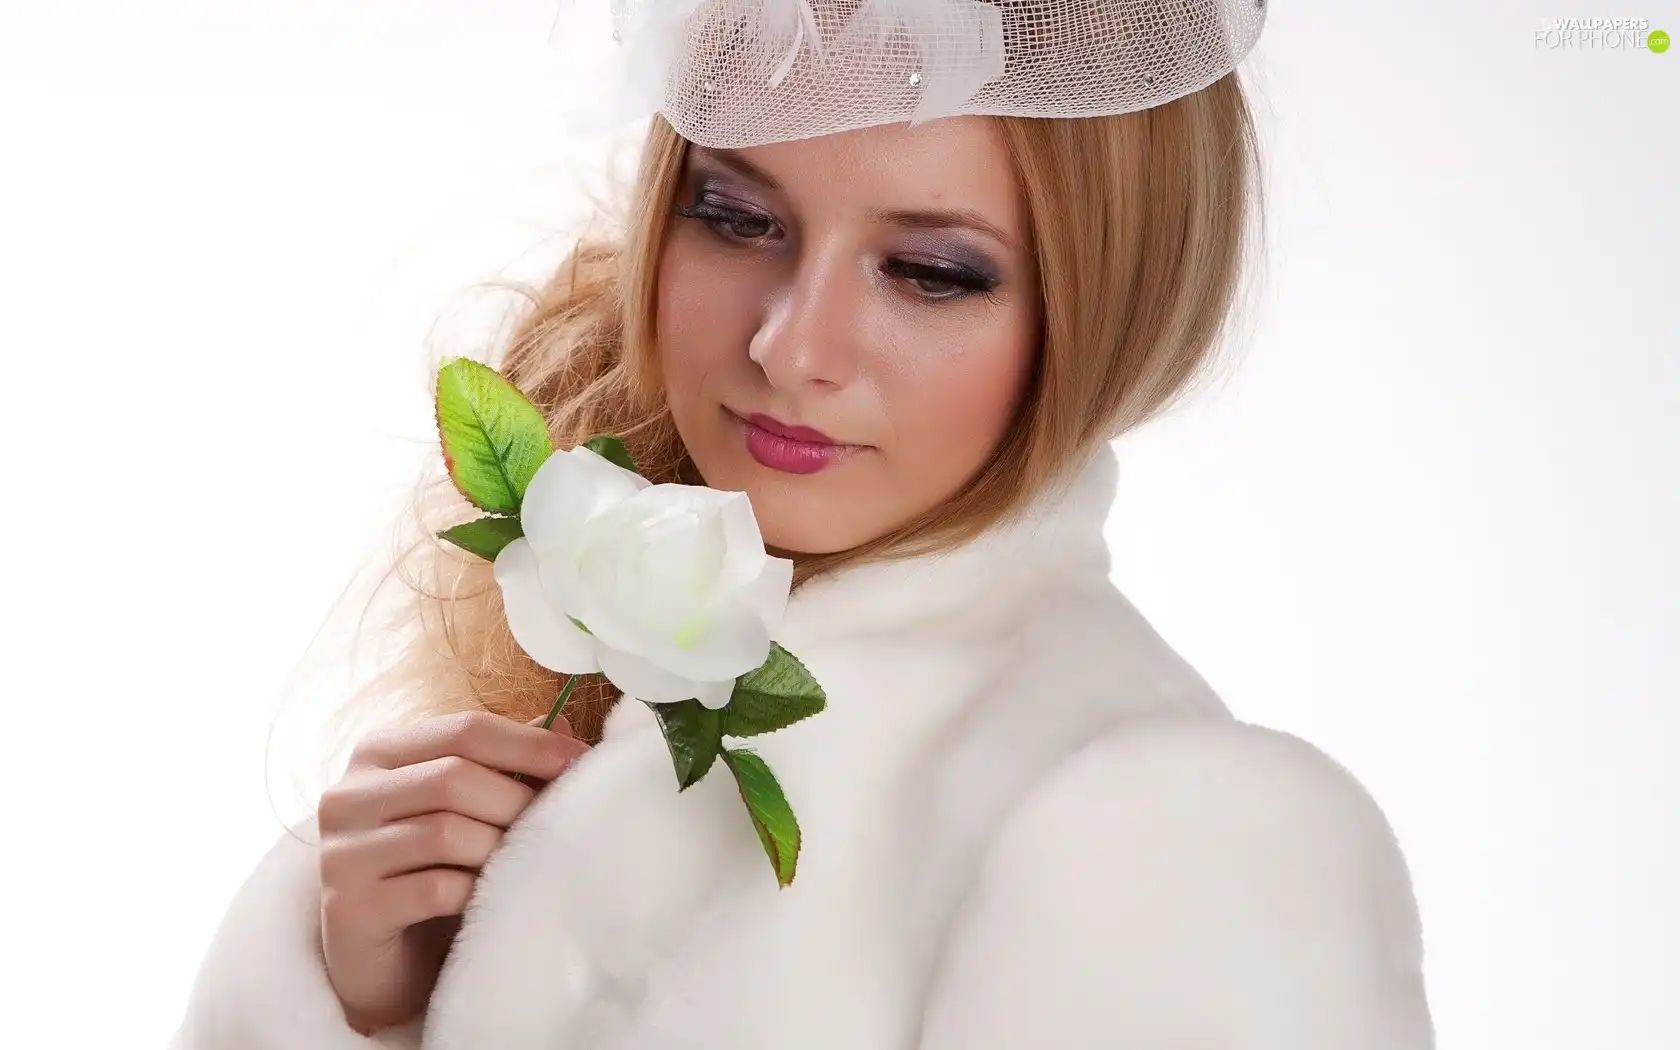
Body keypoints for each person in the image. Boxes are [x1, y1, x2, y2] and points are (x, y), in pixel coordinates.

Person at [169, 2, 1436, 1047]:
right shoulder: (584, 683)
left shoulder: (1177, 846)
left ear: (1101, 308)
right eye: (737, 216)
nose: (790, 344)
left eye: (931, 271)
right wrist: (371, 1004)